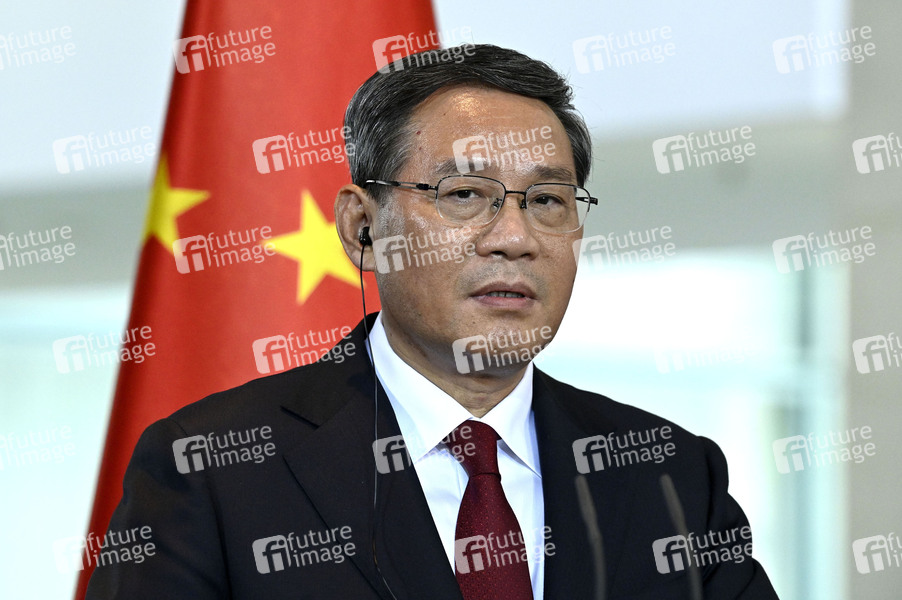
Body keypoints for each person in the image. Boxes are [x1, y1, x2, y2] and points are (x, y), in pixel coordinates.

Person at [86, 44, 779, 599]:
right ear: (362, 229)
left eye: (547, 200)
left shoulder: (670, 474)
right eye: (465, 194)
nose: (515, 237)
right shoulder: (212, 469)